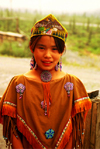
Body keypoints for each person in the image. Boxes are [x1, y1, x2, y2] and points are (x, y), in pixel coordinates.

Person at [0, 14, 91, 149]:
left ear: (62, 51)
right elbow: (11, 127)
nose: (47, 55)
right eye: (41, 48)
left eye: (54, 49)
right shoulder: (18, 83)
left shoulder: (73, 84)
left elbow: (77, 126)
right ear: (32, 48)